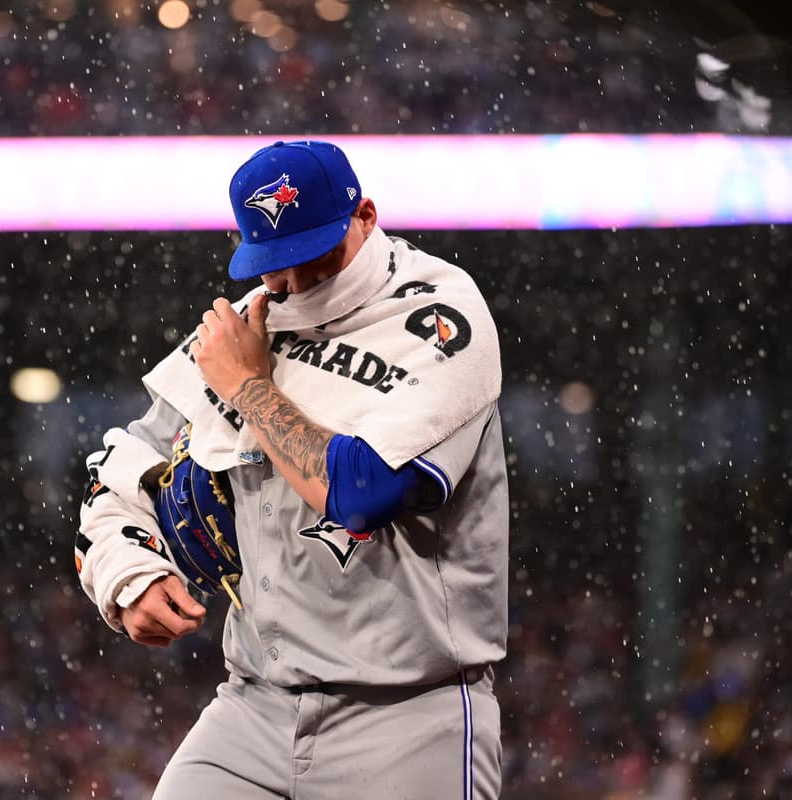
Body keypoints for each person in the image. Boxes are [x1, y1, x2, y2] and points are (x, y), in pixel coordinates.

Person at [73, 139, 509, 799]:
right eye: (278, 270)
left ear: (364, 215)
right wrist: (129, 576)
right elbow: (116, 475)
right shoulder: (241, 332)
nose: (298, 286)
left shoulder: (435, 315)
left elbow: (363, 491)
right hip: (255, 704)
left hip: (408, 718)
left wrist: (249, 389)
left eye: (317, 258)